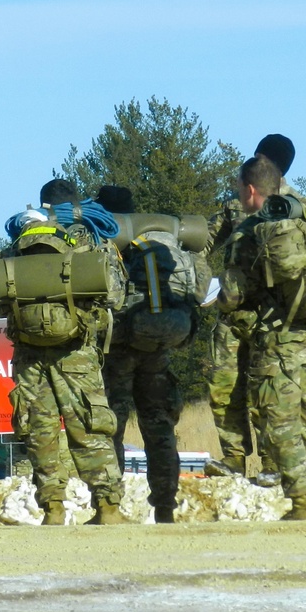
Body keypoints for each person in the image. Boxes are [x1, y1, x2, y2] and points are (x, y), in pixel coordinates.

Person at [0, 179, 128, 525]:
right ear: (76, 204)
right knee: (89, 425)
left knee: (38, 429)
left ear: (42, 205)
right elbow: (115, 296)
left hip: (29, 353)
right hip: (77, 351)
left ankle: (53, 509)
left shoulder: (18, 243)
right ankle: (108, 508)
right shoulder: (90, 241)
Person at [218, 156, 306, 520]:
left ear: (250, 189)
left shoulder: (254, 228)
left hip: (279, 339)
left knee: (279, 421)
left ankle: (301, 503)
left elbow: (234, 295)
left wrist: (214, 298)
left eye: (239, 189)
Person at [202, 134, 295, 486]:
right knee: (224, 387)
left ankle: (272, 464)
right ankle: (233, 460)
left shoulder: (292, 207)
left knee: (267, 392)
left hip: (270, 318)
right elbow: (204, 241)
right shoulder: (236, 203)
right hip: (232, 315)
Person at [94, 185, 188, 524]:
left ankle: (109, 508)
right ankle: (165, 505)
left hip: (118, 350)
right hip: (156, 351)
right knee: (160, 430)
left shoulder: (105, 243)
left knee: (111, 430)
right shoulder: (156, 242)